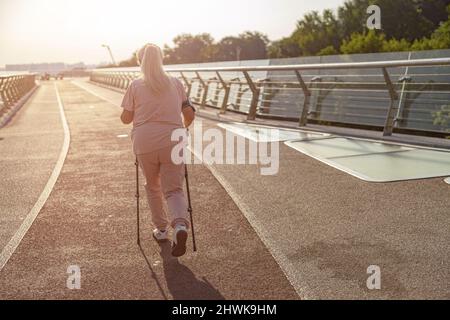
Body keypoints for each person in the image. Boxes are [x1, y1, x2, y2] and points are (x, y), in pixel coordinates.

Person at [120, 43, 195, 257]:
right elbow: (189, 114)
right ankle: (180, 226)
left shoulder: (135, 85)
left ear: (139, 61)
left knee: (152, 186)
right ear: (161, 59)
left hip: (145, 142)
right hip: (173, 139)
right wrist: (183, 128)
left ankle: (161, 229)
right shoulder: (176, 83)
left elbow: (126, 118)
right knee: (174, 189)